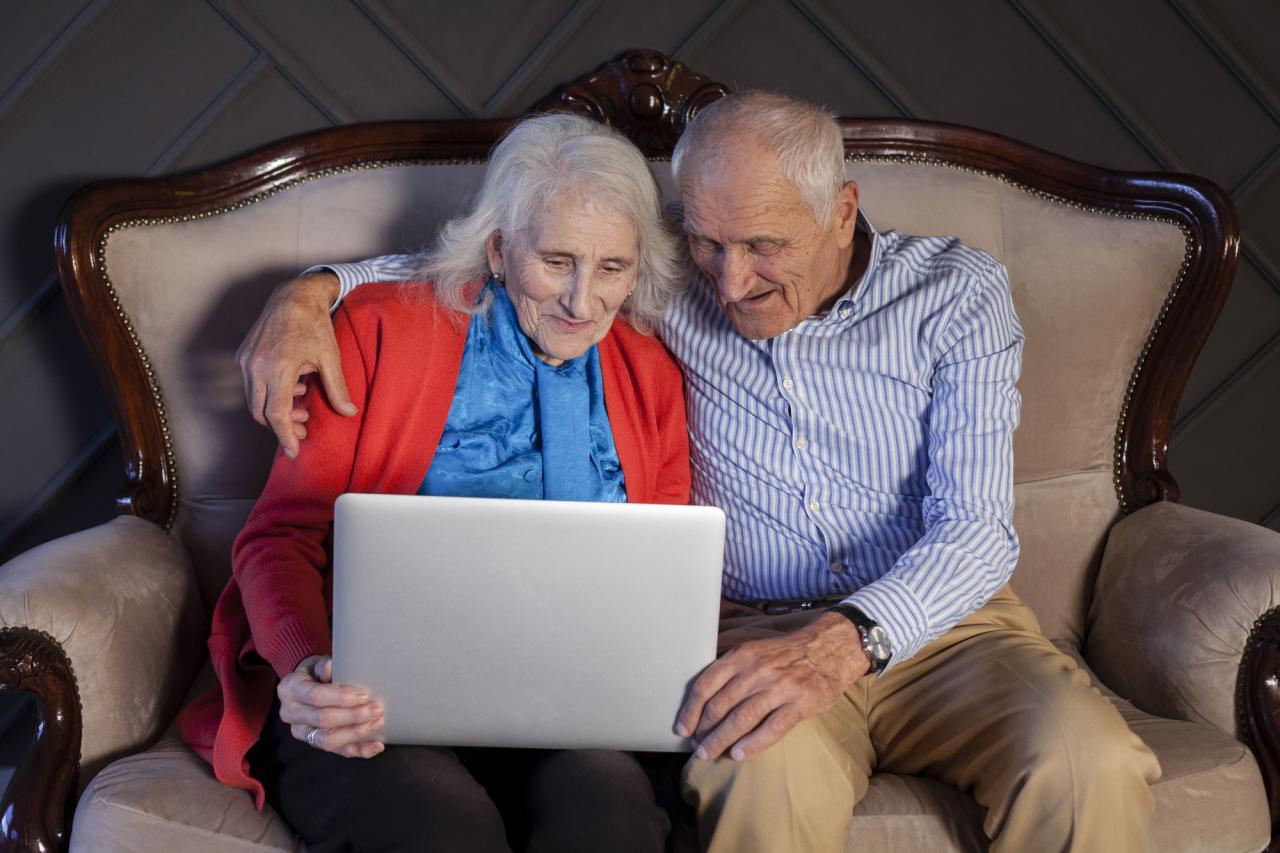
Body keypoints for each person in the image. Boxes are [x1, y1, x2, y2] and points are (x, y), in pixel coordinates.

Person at [239, 93, 1161, 852]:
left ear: (841, 210)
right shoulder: (639, 293)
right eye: (709, 246)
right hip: (736, 633)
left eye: (764, 246)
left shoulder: (949, 295)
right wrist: (311, 289)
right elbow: (508, 255)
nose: (729, 283)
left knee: (1086, 766)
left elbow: (975, 531)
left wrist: (841, 645)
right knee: (738, 784)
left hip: (944, 626)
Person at [179, 112, 691, 853]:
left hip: (562, 709)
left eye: (613, 267)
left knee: (608, 812)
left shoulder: (651, 375)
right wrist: (307, 666)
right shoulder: (380, 331)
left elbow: (663, 577)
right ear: (499, 249)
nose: (584, 301)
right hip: (369, 701)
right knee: (442, 824)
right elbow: (278, 536)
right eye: (556, 261)